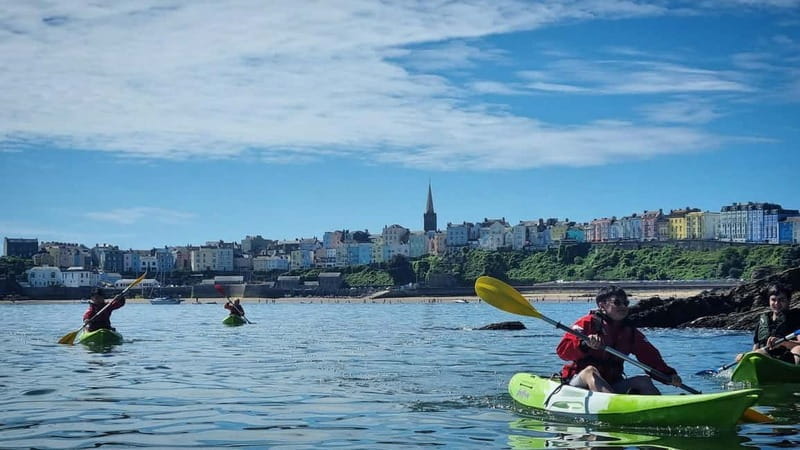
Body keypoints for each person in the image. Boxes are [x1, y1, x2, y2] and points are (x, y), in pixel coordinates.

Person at [556, 285, 682, 394]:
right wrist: (584, 344)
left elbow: (651, 358)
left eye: (626, 303)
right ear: (602, 305)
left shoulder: (631, 332)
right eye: (617, 302)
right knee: (590, 371)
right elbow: (563, 351)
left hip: (611, 385)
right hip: (578, 384)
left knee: (643, 380)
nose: (623, 306)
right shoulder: (586, 323)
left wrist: (669, 375)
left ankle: (659, 411)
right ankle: (609, 408)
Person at [738, 283, 800, 364]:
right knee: (740, 357)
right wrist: (746, 357)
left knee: (798, 349)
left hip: (787, 360)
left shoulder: (796, 318)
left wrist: (783, 342)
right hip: (765, 357)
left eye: (781, 300)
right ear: (769, 301)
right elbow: (756, 346)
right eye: (773, 300)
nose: (777, 303)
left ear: (788, 301)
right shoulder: (763, 321)